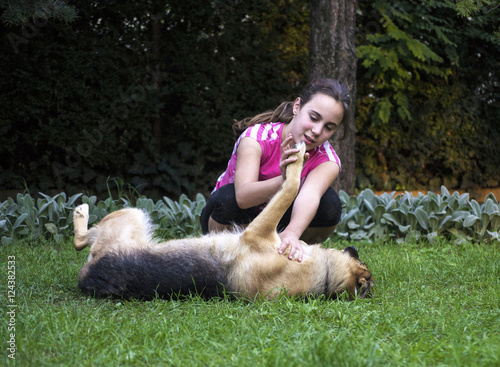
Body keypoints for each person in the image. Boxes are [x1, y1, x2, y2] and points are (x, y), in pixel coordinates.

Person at [200, 78, 350, 262]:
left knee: (329, 204)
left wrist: (292, 233)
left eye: (329, 127)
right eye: (314, 118)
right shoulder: (256, 137)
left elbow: (309, 195)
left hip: (280, 223)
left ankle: (286, 248)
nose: (318, 131)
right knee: (227, 198)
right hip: (231, 218)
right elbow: (243, 197)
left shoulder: (328, 160)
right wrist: (286, 180)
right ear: (297, 107)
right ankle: (233, 256)